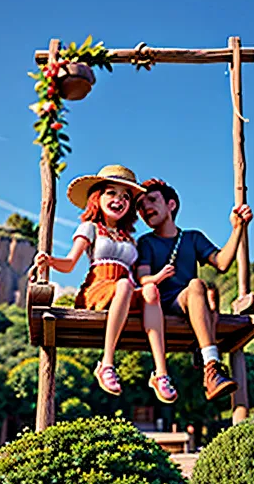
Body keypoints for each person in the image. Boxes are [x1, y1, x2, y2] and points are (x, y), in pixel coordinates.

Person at [35, 165, 177, 404]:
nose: (118, 200)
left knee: (150, 290)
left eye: (125, 197)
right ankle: (107, 363)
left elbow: (136, 277)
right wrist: (49, 261)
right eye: (111, 193)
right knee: (123, 285)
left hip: (125, 290)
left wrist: (158, 278)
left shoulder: (129, 238)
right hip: (98, 289)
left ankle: (160, 373)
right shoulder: (90, 228)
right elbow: (70, 263)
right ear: (97, 197)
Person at [135, 178, 253, 401]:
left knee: (200, 287)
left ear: (171, 205)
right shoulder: (145, 243)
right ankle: (211, 362)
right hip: (159, 304)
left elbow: (223, 262)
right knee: (200, 289)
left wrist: (238, 228)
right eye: (140, 205)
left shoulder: (192, 238)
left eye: (151, 200)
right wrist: (159, 277)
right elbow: (143, 279)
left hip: (187, 302)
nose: (145, 208)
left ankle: (210, 368)